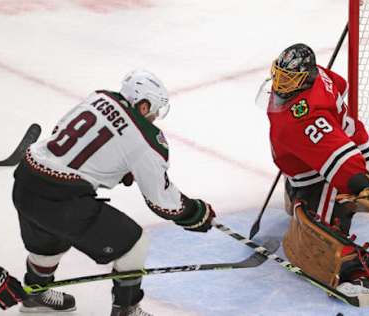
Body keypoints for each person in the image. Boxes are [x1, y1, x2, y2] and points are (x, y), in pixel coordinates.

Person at [11, 69, 216, 316]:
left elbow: (62, 133)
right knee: (135, 245)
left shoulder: (100, 97)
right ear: (143, 105)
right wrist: (195, 213)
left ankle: (35, 295)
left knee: (48, 241)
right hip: (61, 200)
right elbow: (163, 202)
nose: (154, 117)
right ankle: (126, 310)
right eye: (154, 110)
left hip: (27, 179)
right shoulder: (147, 138)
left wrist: (111, 166)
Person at [259, 43, 369, 296]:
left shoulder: (304, 118)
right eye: (280, 76)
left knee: (321, 227)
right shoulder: (317, 76)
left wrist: (364, 186)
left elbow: (338, 160)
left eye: (289, 79)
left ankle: (354, 272)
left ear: (306, 78)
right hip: (330, 148)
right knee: (305, 178)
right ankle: (302, 189)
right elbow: (341, 83)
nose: (280, 85)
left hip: (343, 159)